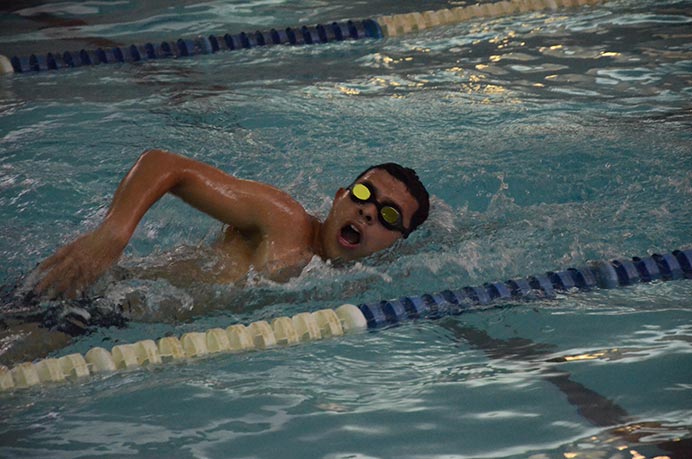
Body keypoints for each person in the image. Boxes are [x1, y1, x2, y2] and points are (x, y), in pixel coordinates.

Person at [33, 149, 430, 300]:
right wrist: (112, 234)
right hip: (87, 296)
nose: (368, 212)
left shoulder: (362, 284)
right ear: (340, 195)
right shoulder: (283, 219)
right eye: (363, 195)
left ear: (397, 242)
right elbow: (164, 165)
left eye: (388, 215)